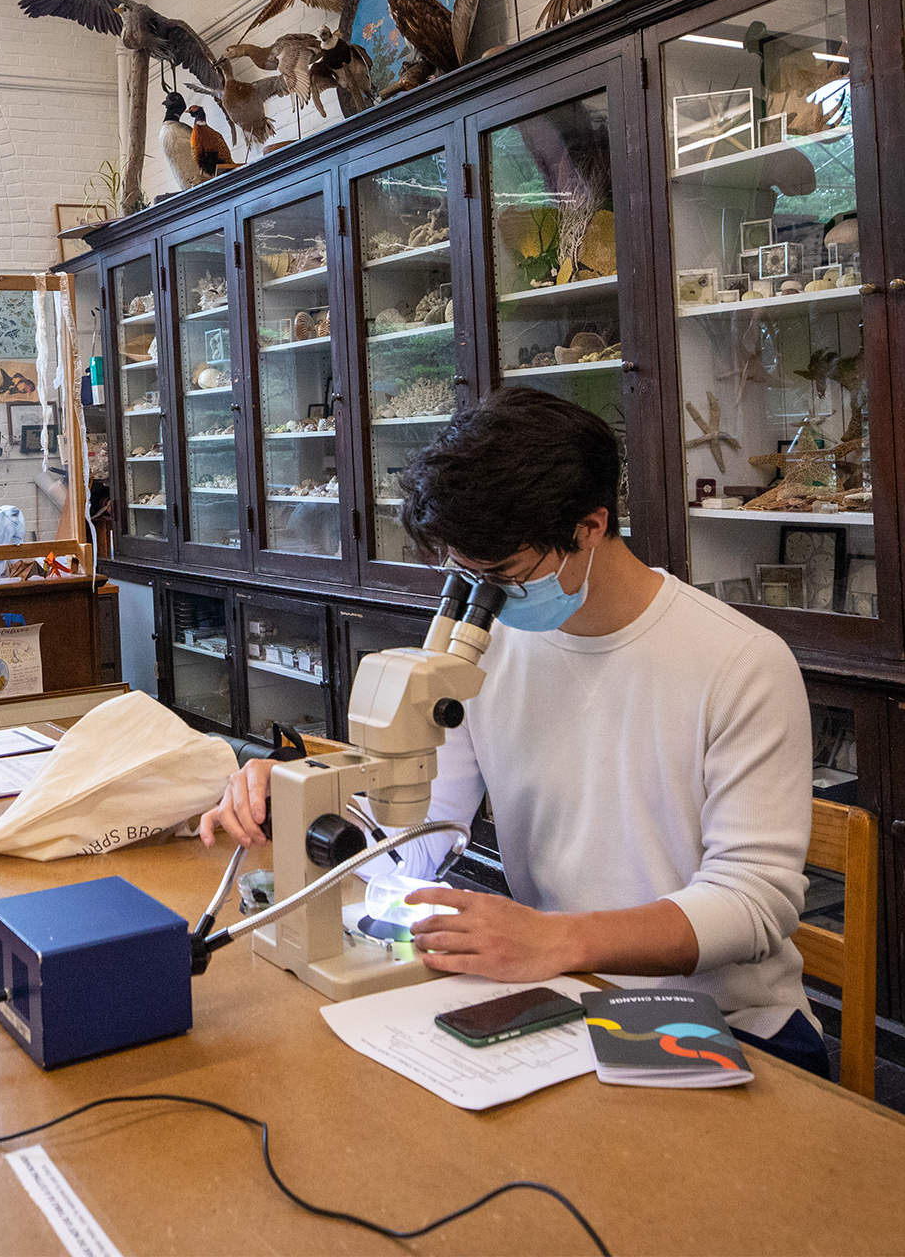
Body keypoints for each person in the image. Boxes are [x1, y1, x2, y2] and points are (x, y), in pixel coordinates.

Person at [199, 389, 825, 1077]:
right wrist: (301, 798)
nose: (478, 597)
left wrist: (558, 940)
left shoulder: (740, 664)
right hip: (555, 989)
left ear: (590, 526)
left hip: (715, 1017)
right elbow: (417, 841)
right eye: (462, 575)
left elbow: (753, 904)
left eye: (500, 577)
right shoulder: (483, 650)